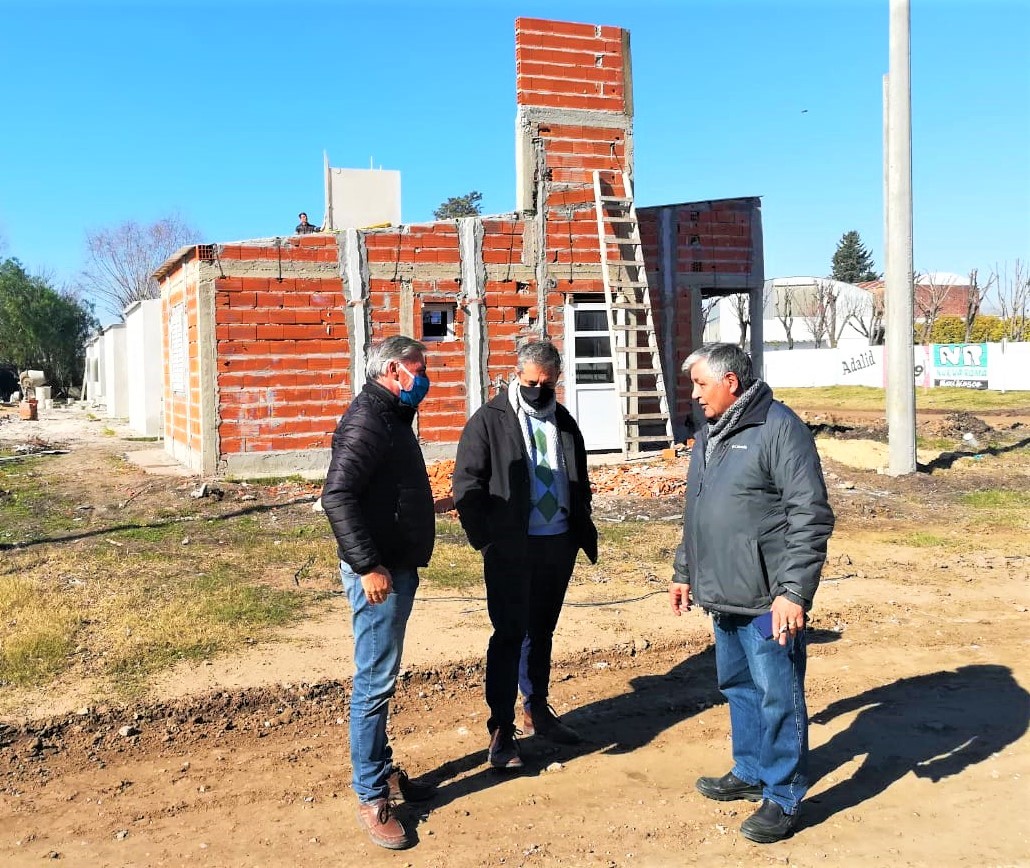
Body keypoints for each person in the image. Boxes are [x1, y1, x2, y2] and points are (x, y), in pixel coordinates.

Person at [669, 342, 834, 844]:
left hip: (768, 599)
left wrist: (793, 592)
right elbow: (698, 511)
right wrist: (684, 571)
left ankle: (783, 796)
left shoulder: (779, 429)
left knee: (778, 695)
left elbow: (810, 514)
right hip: (722, 591)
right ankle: (750, 771)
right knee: (738, 687)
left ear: (730, 383)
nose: (694, 394)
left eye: (700, 384)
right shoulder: (711, 433)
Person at [453, 339, 598, 771]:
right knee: (508, 635)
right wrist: (487, 539)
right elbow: (467, 486)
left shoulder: (565, 422)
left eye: (546, 383)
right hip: (511, 548)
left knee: (542, 631)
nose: (538, 389)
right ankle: (500, 729)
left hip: (556, 544)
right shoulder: (489, 421)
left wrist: (578, 523)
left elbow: (580, 479)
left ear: (557, 379)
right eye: (531, 381)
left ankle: (537, 707)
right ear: (517, 376)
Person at [321, 335, 435, 851]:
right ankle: (371, 795)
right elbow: (337, 494)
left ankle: (383, 772)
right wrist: (368, 565)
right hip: (379, 573)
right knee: (375, 680)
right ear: (394, 369)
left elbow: (383, 490)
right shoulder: (369, 417)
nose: (425, 376)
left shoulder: (390, 413)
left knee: (382, 674)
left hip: (396, 563)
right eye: (420, 367)